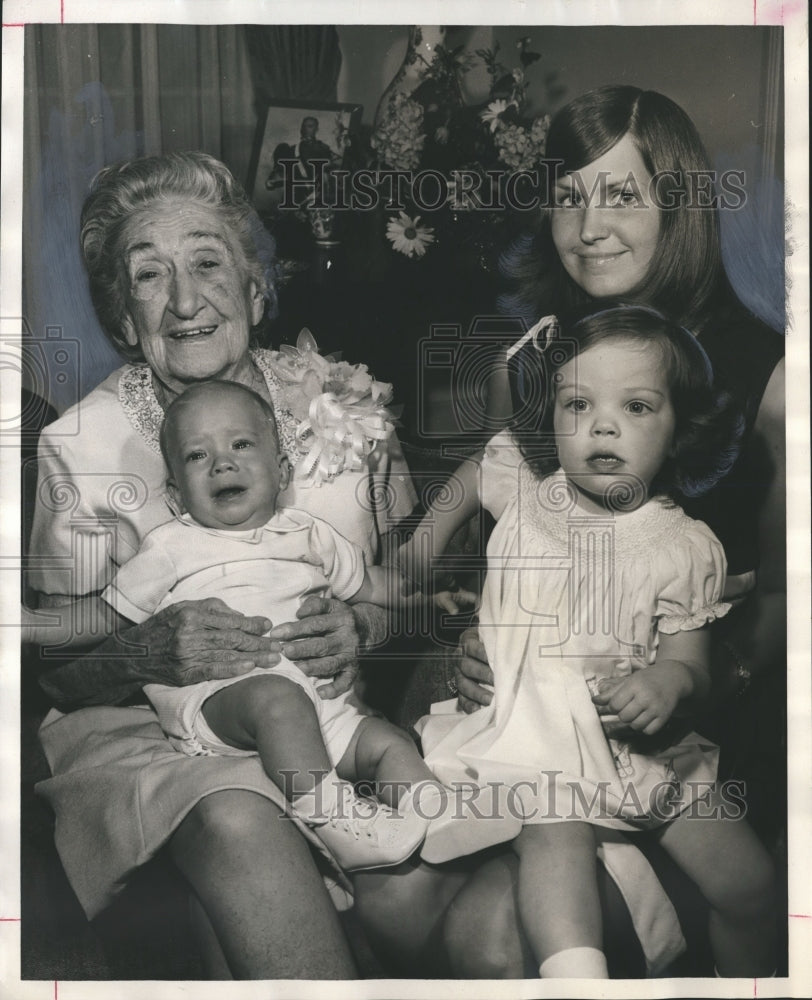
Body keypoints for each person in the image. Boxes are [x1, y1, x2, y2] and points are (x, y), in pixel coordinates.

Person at [351, 85, 785, 979]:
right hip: (534, 727)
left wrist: (690, 679)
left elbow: (784, 600)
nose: (588, 224)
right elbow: (505, 543)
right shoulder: (543, 354)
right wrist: (473, 646)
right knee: (400, 899)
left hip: (697, 724)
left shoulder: (769, 372)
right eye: (568, 193)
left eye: (622, 193)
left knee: (496, 936)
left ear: (680, 202)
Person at [25, 150, 422, 979]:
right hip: (149, 732)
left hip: (324, 714)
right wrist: (146, 650)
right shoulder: (80, 446)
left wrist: (365, 625)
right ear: (124, 318)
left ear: (254, 288)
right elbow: (54, 674)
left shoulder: (346, 402)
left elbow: (400, 592)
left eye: (207, 262)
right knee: (242, 817)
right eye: (148, 275)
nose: (182, 300)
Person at [400, 305, 777, 978]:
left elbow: (689, 661)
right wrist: (414, 558)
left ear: (680, 430)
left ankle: (750, 982)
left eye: (636, 407)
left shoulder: (683, 547)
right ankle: (576, 978)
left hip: (636, 752)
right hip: (532, 739)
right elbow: (470, 477)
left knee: (751, 885)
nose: (602, 425)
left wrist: (668, 684)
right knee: (557, 841)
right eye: (577, 404)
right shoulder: (527, 493)